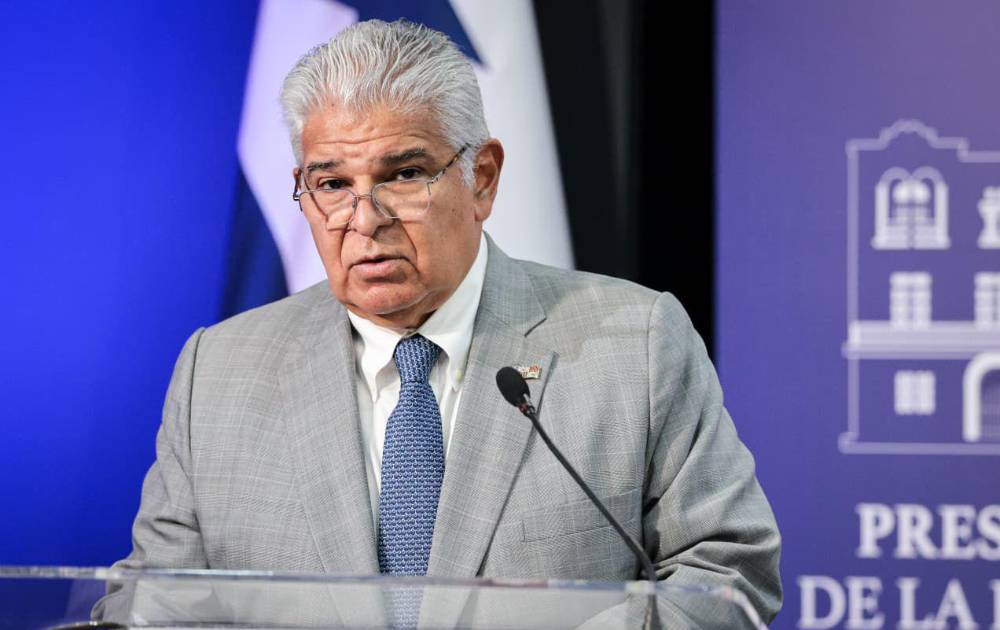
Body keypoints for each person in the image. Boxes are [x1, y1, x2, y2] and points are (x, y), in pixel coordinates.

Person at [95, 18, 781, 626]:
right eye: (332, 184)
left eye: (403, 175)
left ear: (481, 178)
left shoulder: (636, 345)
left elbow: (726, 572)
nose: (364, 221)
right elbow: (155, 602)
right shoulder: (218, 372)